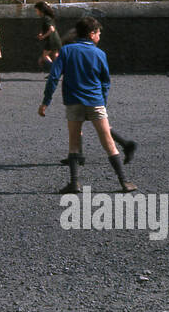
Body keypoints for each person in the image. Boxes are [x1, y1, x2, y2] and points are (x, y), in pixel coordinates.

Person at [38, 17, 137, 195]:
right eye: (98, 33)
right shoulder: (100, 54)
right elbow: (105, 82)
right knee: (108, 143)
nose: (99, 36)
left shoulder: (67, 50)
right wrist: (102, 102)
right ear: (91, 34)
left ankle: (74, 183)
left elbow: (54, 77)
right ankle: (124, 182)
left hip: (73, 101)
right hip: (95, 101)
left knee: (74, 143)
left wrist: (46, 101)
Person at [35, 2, 62, 71]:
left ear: (41, 10)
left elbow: (51, 29)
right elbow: (47, 27)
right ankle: (59, 71)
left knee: (45, 56)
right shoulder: (49, 17)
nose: (36, 12)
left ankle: (55, 71)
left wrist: (43, 36)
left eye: (36, 10)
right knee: (55, 55)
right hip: (56, 39)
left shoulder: (46, 18)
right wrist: (41, 33)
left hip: (51, 40)